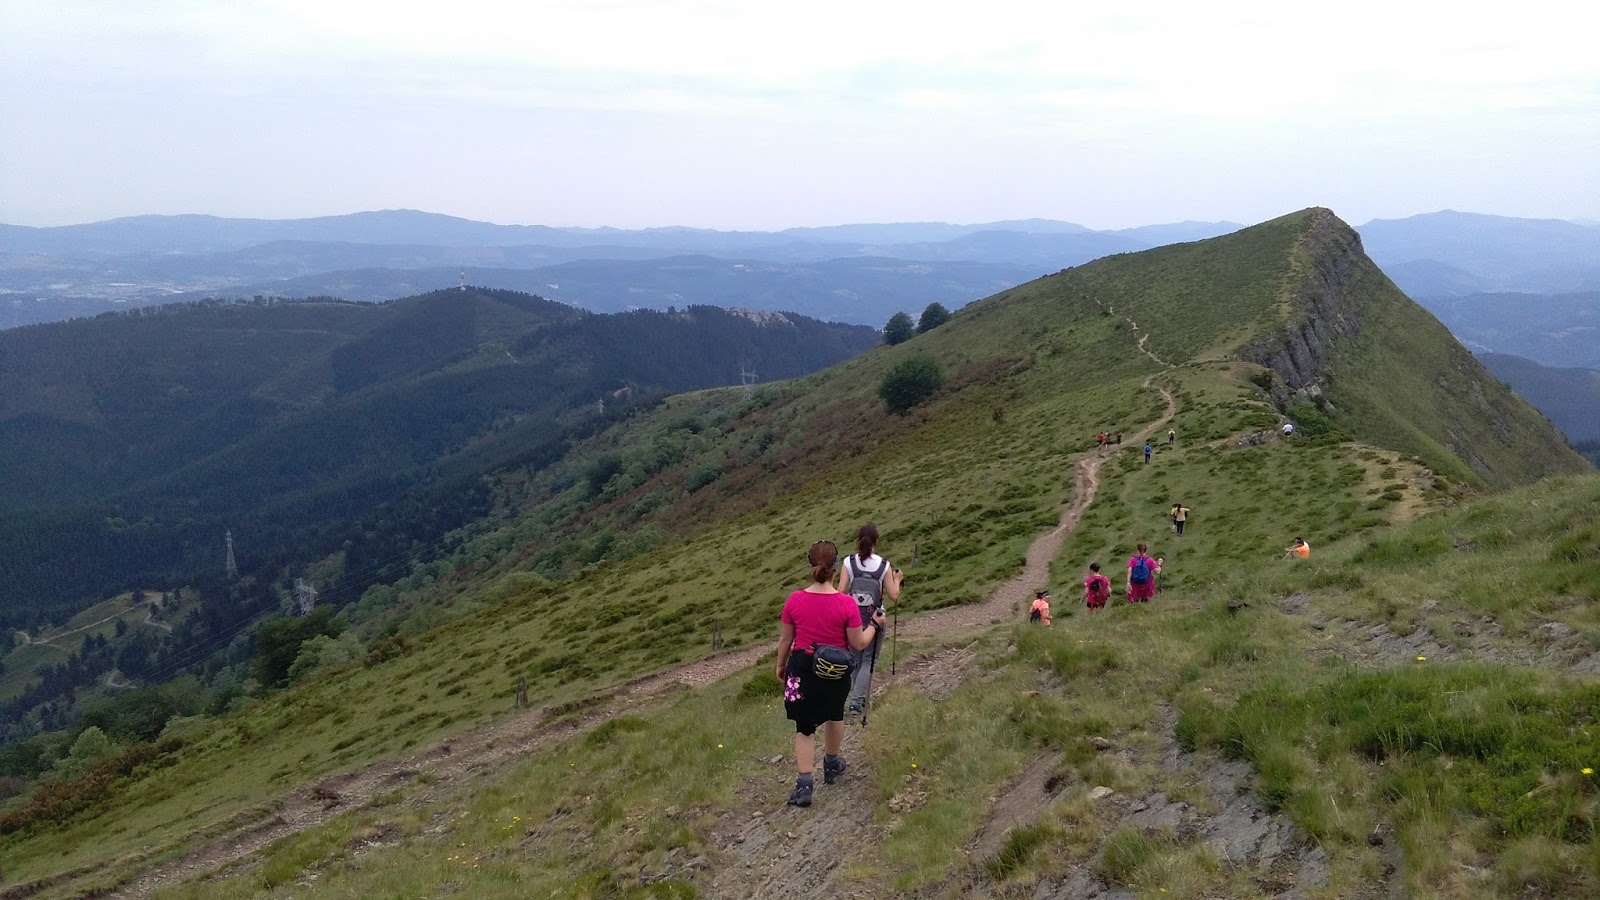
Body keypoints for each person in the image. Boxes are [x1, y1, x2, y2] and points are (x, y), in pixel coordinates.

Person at [776, 540, 884, 807]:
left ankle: (804, 786)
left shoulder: (795, 599)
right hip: (836, 670)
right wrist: (874, 624)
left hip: (802, 667)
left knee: (804, 727)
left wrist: (781, 665)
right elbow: (859, 643)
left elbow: (786, 640)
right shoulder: (846, 604)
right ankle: (832, 764)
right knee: (835, 714)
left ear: (810, 567)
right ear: (835, 569)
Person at [838, 523, 902, 719]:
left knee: (855, 660)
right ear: (877, 541)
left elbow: (840, 592)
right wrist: (897, 579)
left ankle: (854, 699)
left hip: (852, 618)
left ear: (858, 540)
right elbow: (893, 596)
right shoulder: (884, 566)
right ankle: (857, 703)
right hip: (875, 617)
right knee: (868, 661)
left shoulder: (849, 562)